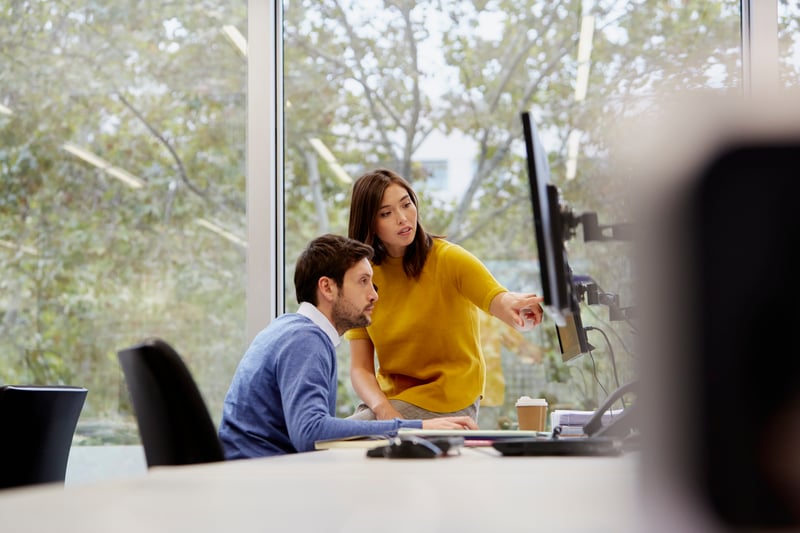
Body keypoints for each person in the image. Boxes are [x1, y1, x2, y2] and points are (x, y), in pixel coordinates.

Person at [218, 233, 477, 459]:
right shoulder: (305, 340)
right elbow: (310, 433)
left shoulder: (291, 329)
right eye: (363, 281)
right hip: (259, 481)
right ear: (327, 287)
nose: (374, 294)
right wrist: (414, 427)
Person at [345, 168, 545, 422]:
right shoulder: (364, 279)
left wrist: (518, 306)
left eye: (406, 205)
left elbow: (498, 298)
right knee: (339, 435)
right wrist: (385, 412)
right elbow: (360, 368)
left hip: (450, 397)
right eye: (386, 213)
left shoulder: (449, 258)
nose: (403, 218)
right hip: (391, 401)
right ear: (369, 224)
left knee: (340, 436)